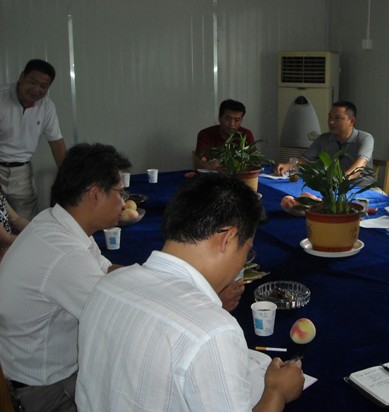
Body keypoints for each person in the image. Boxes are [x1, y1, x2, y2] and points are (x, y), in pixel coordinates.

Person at [75, 173, 304, 411]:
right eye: (246, 251)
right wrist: (277, 392)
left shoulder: (109, 285)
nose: (241, 264)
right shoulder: (213, 331)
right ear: (227, 239)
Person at [0, 143, 131, 412]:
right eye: (120, 193)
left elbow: (106, 270)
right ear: (95, 194)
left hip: (36, 370)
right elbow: (118, 320)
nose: (123, 203)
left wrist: (155, 278)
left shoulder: (56, 221)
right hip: (44, 390)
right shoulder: (64, 253)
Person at [0, 59, 67, 220]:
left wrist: (68, 177)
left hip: (21, 171)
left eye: (43, 86)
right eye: (32, 82)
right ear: (22, 77)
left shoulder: (46, 106)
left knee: (25, 219)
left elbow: (56, 143)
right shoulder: (2, 98)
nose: (36, 89)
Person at [274, 100, 375, 187]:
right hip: (334, 188)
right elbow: (304, 159)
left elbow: (359, 166)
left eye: (337, 118)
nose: (331, 122)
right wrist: (288, 165)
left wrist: (341, 179)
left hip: (362, 189)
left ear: (351, 121)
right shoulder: (324, 139)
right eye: (330, 117)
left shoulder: (365, 138)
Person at [195, 99, 255, 169]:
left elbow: (254, 160)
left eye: (237, 120)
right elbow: (199, 162)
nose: (232, 124)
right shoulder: (205, 134)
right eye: (228, 119)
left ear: (241, 120)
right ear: (219, 118)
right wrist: (208, 165)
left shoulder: (246, 134)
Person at [0, 190, 29, 262]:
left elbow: (17, 219)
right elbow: (7, 239)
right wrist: (32, 240)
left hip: (9, 246)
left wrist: (34, 228)